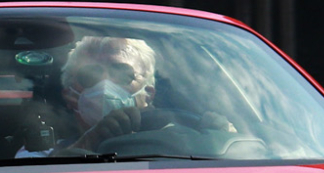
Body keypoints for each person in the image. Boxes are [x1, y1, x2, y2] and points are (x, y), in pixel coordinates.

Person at [53, 35, 237, 155]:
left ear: (148, 95)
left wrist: (222, 137)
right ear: (70, 95)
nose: (105, 82)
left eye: (122, 74)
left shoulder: (185, 142)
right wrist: (90, 142)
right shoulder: (39, 157)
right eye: (89, 75)